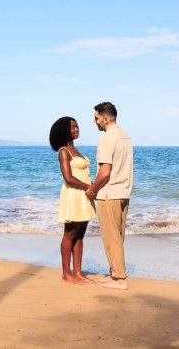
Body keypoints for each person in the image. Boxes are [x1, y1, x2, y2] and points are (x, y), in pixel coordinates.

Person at [86, 102, 133, 290]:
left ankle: (120, 278)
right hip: (124, 192)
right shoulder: (125, 136)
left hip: (109, 193)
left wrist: (92, 190)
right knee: (118, 235)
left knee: (111, 236)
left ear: (106, 119)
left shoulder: (107, 139)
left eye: (96, 118)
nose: (94, 121)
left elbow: (104, 172)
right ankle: (115, 274)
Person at [49, 116, 96, 284]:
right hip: (74, 194)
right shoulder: (64, 151)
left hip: (84, 193)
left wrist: (93, 188)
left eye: (77, 126)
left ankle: (78, 273)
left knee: (80, 235)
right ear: (64, 130)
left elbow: (83, 174)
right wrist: (87, 187)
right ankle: (66, 274)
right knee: (69, 233)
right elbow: (68, 177)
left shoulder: (77, 151)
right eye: (73, 127)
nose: (76, 129)